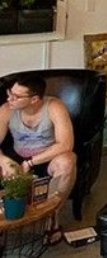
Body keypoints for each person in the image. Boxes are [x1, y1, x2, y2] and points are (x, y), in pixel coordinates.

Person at [0, 74, 77, 244]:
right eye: (9, 92)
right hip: (17, 157)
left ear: (34, 99)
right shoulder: (6, 109)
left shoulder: (54, 106)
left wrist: (31, 162)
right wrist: (3, 160)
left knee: (68, 161)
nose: (9, 98)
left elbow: (65, 144)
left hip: (47, 158)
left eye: (16, 96)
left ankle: (52, 218)